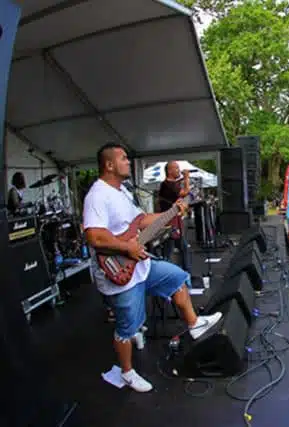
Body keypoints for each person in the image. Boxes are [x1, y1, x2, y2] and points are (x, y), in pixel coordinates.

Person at [83, 143, 222, 392]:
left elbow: (140, 221)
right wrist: (127, 249)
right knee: (127, 328)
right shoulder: (97, 195)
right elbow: (94, 237)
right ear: (109, 165)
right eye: (124, 158)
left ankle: (194, 324)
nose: (128, 162)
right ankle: (127, 373)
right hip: (120, 270)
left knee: (178, 277)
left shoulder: (123, 191)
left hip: (141, 266)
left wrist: (173, 212)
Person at [158, 161, 192, 274]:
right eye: (176, 168)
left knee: (182, 247)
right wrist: (186, 178)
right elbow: (185, 192)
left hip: (174, 221)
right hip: (168, 222)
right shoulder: (167, 184)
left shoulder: (172, 184)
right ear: (169, 171)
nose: (179, 170)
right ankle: (167, 272)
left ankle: (186, 272)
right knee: (169, 249)